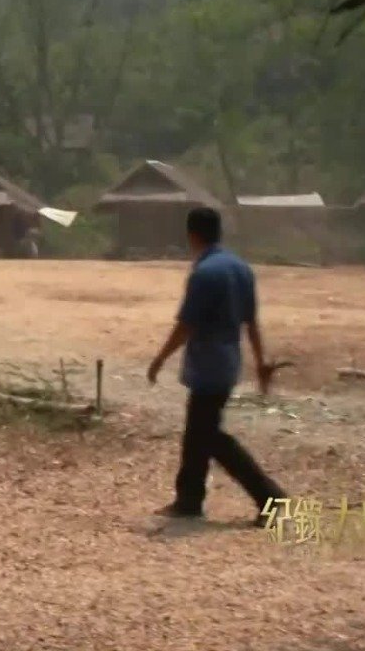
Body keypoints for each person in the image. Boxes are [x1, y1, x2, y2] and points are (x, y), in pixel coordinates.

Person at [146, 206, 288, 528]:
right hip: (228, 362)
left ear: (192, 235)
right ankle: (189, 500)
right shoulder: (241, 268)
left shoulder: (204, 273)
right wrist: (260, 360)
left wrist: (159, 359)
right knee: (198, 433)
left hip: (207, 364)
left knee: (207, 435)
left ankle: (268, 494)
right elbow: (251, 322)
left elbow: (186, 326)